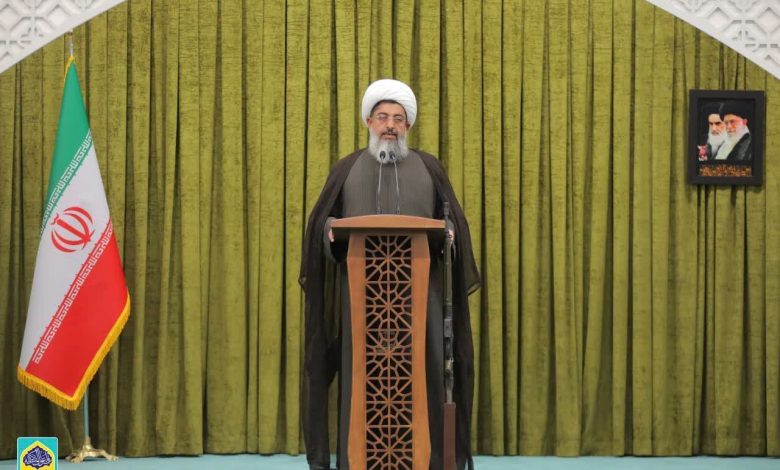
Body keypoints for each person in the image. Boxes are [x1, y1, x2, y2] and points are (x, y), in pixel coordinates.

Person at [299, 79, 480, 470]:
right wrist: (329, 228)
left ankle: (425, 458)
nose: (390, 125)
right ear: (368, 121)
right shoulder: (347, 168)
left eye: (398, 119)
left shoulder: (429, 167)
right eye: (382, 117)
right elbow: (322, 222)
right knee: (365, 376)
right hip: (362, 299)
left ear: (408, 125)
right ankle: (362, 457)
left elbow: (452, 222)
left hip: (421, 298)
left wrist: (449, 232)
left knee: (422, 372)